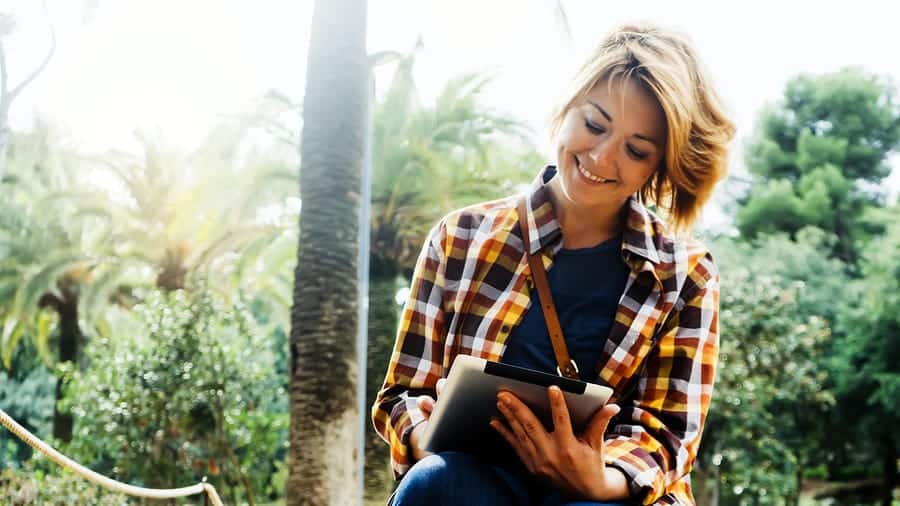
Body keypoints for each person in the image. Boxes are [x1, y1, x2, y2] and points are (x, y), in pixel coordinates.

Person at [372, 22, 734, 506]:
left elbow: (667, 435)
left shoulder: (685, 275)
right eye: (594, 124)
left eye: (635, 149)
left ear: (658, 165)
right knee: (435, 482)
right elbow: (403, 394)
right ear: (568, 107)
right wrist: (426, 435)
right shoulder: (460, 238)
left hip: (602, 495)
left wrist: (596, 480)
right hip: (472, 482)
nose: (603, 157)